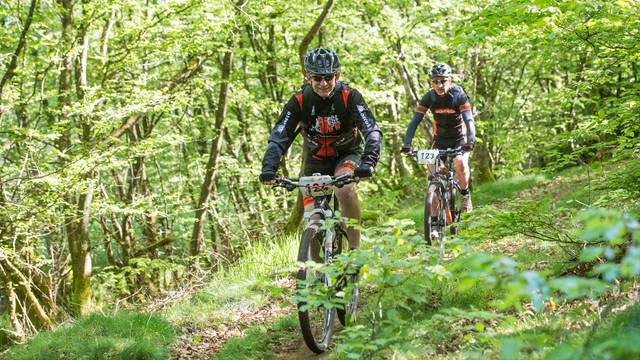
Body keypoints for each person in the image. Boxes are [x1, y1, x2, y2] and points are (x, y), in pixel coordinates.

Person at [259, 48, 382, 250]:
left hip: (347, 154)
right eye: (317, 78)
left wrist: (369, 161)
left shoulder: (349, 96)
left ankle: (354, 252)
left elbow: (372, 131)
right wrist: (269, 168)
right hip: (316, 160)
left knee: (344, 190)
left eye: (328, 77)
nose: (323, 83)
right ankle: (316, 276)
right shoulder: (299, 101)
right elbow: (279, 136)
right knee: (312, 220)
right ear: (308, 77)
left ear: (337, 75)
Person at [401, 63, 476, 212]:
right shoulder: (429, 96)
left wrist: (471, 141)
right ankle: (433, 222)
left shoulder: (459, 95)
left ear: (450, 80)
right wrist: (407, 143)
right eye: (435, 81)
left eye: (443, 80)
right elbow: (415, 121)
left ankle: (465, 195)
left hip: (460, 138)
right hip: (440, 139)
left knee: (460, 163)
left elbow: (469, 120)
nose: (439, 85)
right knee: (432, 174)